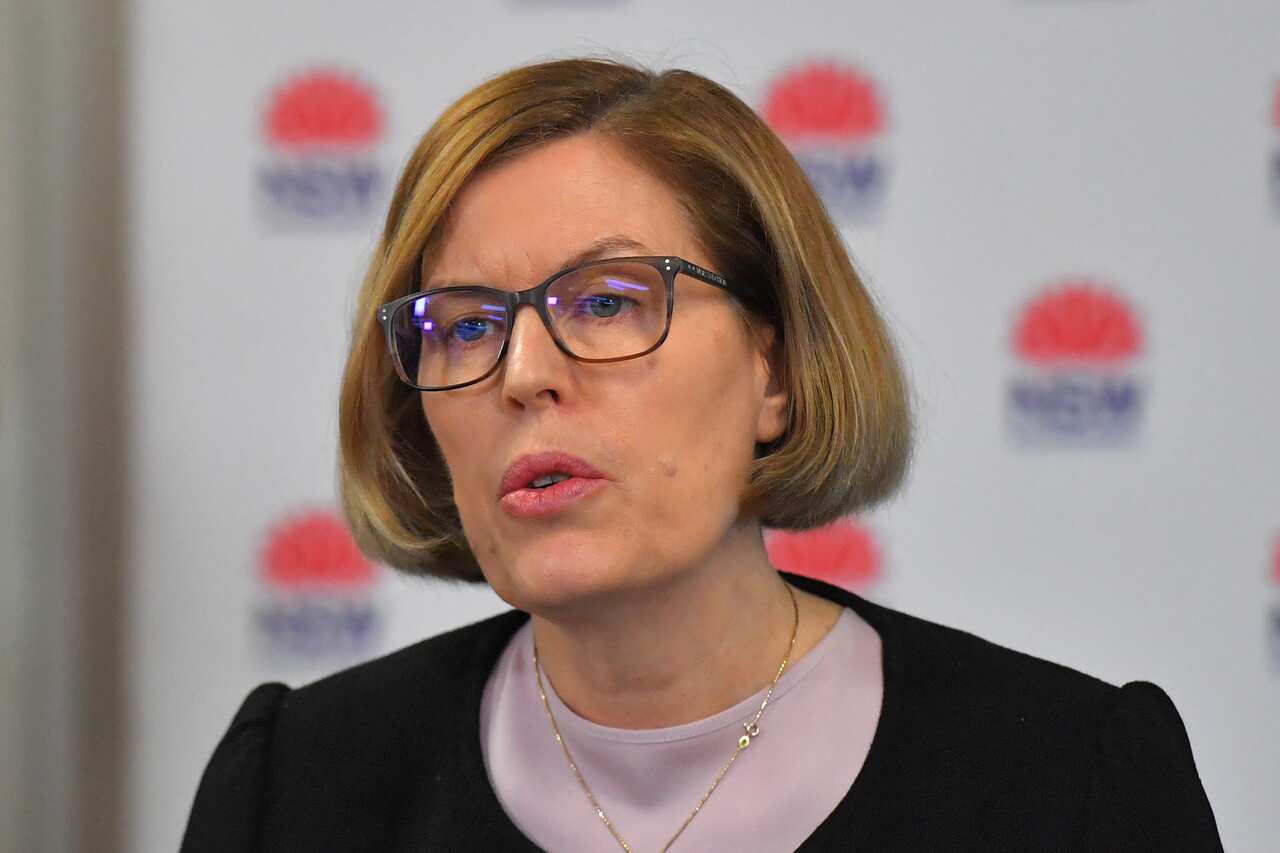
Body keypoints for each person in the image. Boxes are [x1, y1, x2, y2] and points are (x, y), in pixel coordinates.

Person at [180, 56, 1224, 852]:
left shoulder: (1069, 781)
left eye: (605, 302)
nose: (520, 372)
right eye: (461, 324)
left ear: (772, 368)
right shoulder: (298, 791)